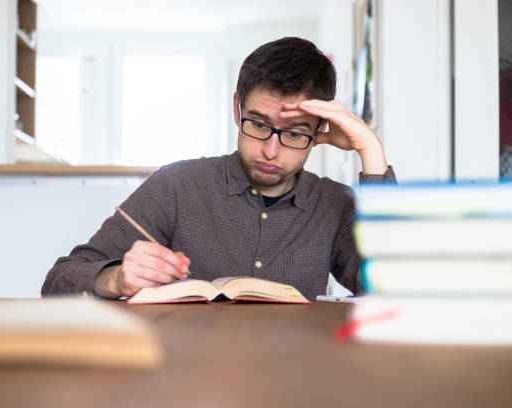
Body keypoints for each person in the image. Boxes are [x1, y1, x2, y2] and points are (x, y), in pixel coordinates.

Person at [41, 37, 396, 301]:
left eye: (294, 133)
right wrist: (115, 279)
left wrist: (372, 152)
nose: (271, 151)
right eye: (257, 124)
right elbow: (58, 282)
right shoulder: (176, 184)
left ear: (319, 130)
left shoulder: (333, 203)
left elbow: (402, 290)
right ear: (236, 109)